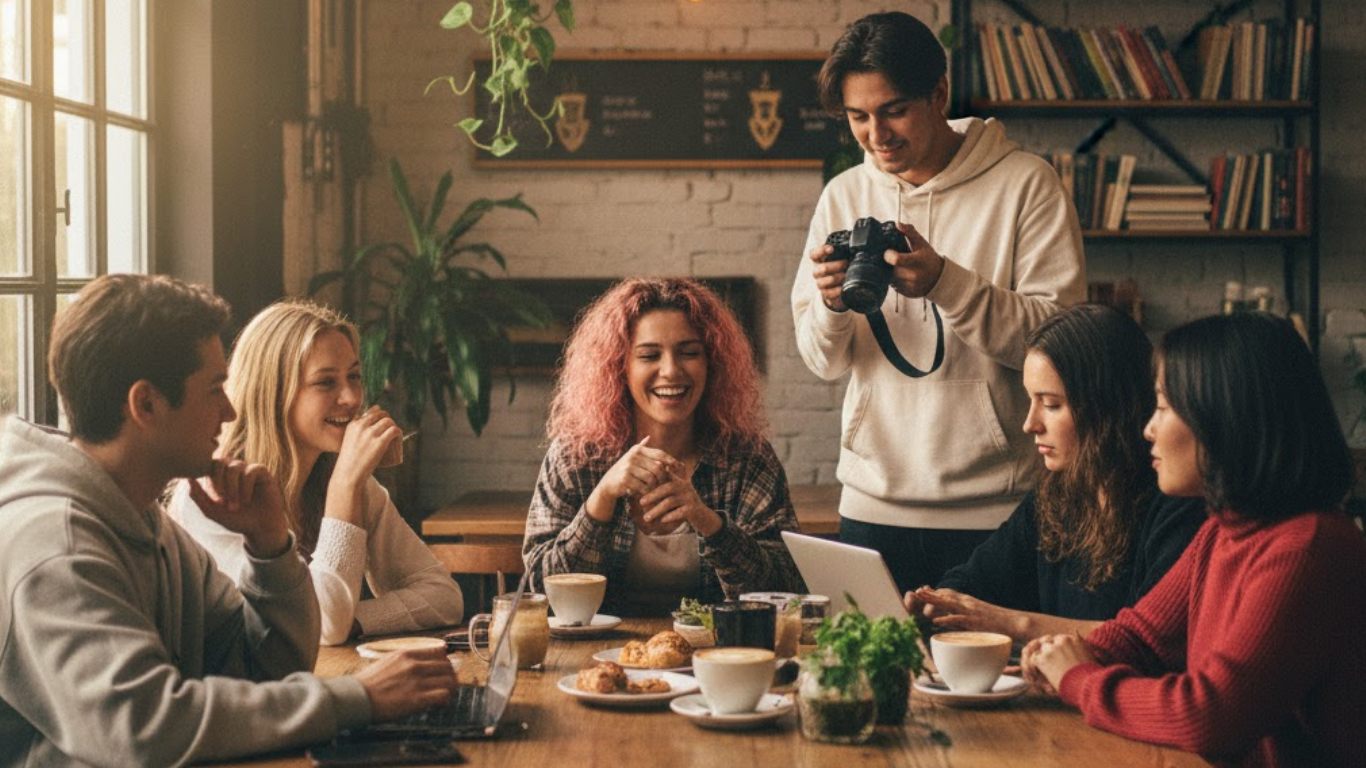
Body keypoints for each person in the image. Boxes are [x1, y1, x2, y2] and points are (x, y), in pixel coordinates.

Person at [0, 275, 459, 767]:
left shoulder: (148, 521)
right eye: (215, 389)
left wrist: (271, 549)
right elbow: (144, 727)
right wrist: (358, 697)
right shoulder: (57, 544)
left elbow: (265, 668)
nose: (231, 408)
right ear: (146, 404)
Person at [791, 11, 1088, 591]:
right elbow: (822, 362)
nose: (877, 135)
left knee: (992, 656)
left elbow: (1061, 345)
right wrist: (830, 306)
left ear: (939, 94)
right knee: (869, 655)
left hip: (1000, 509)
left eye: (894, 110)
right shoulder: (844, 194)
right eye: (858, 117)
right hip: (871, 504)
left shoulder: (1027, 185)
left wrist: (946, 284)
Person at [1023, 312, 1366, 768]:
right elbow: (1142, 638)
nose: (1148, 428)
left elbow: (1211, 714)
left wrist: (1079, 678)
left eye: (1163, 408)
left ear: (1223, 416)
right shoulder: (1223, 530)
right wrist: (1064, 657)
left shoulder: (1308, 550)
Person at [902, 305, 1203, 643]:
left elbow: (1149, 639)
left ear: (1107, 407)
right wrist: (940, 602)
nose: (1030, 424)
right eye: (1031, 400)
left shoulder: (1176, 504)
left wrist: (1009, 622)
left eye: (1051, 404)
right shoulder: (1057, 492)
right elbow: (976, 580)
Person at [169, 300, 463, 645]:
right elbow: (325, 624)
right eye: (325, 382)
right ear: (273, 393)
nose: (351, 398)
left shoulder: (347, 480)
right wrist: (345, 486)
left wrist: (357, 620)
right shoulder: (215, 494)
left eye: (354, 376)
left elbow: (444, 596)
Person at [523, 278, 801, 613]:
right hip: (599, 646)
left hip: (715, 643)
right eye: (649, 355)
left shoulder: (747, 458)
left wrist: (708, 522)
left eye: (689, 353)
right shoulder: (575, 455)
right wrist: (602, 499)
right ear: (619, 367)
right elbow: (541, 592)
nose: (670, 371)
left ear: (712, 363)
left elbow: (785, 590)